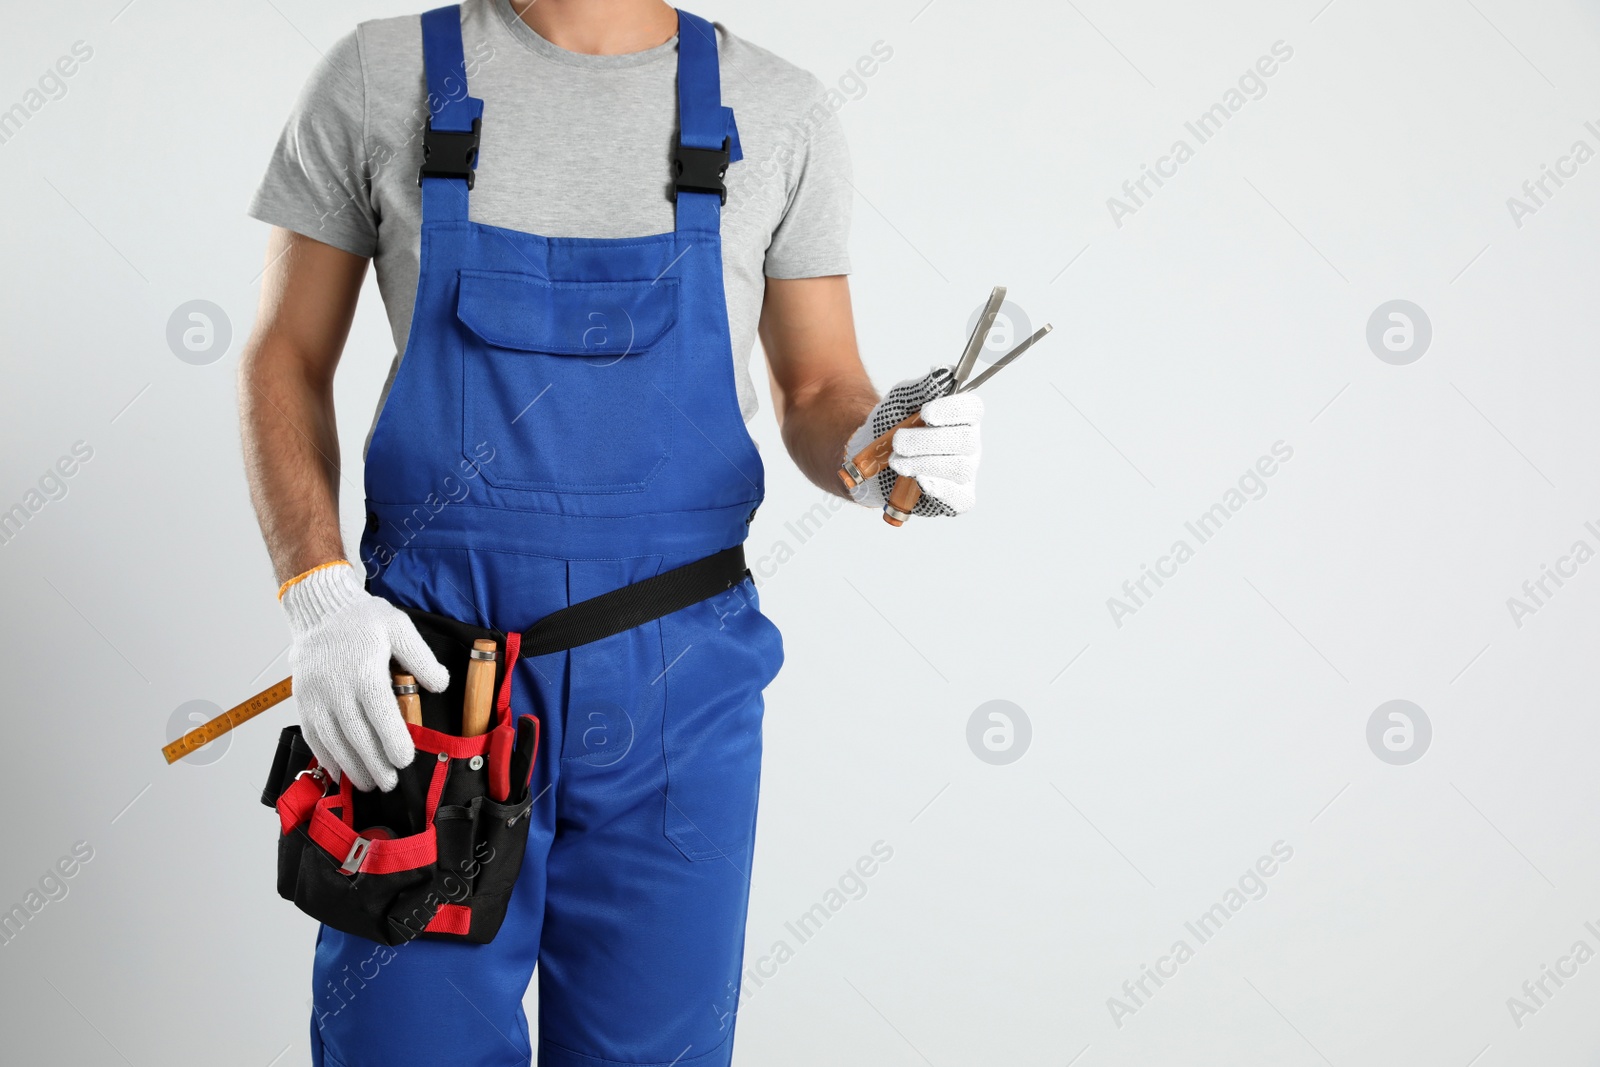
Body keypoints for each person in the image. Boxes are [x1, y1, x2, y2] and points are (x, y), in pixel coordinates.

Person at [238, 1, 984, 1063]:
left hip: (680, 684)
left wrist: (887, 456)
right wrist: (316, 592)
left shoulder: (777, 109)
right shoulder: (378, 75)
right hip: (434, 684)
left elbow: (819, 386)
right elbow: (283, 356)